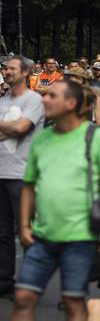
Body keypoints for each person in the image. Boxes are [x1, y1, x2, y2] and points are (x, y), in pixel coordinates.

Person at [12, 80, 100, 321]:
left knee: (73, 303)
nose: (44, 99)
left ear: (71, 103)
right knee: (23, 298)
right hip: (41, 237)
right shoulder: (41, 139)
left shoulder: (96, 138)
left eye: (52, 95)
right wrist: (24, 226)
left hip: (80, 238)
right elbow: (29, 186)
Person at [0, 56, 44, 298]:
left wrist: (11, 128)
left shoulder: (34, 100)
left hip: (22, 175)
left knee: (26, 232)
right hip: (1, 173)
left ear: (25, 73)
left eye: (11, 68)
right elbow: (14, 129)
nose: (6, 72)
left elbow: (21, 128)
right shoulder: (3, 101)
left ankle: (30, 285)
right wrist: (11, 129)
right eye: (5, 68)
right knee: (2, 233)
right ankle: (4, 282)